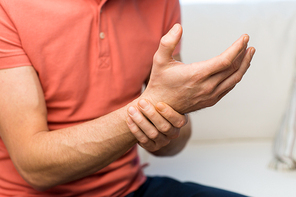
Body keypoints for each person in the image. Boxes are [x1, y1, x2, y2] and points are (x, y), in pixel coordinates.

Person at [0, 0, 255, 196]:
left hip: (130, 189)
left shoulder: (159, 3)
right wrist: (149, 110)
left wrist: (171, 114)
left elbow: (175, 144)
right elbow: (34, 167)